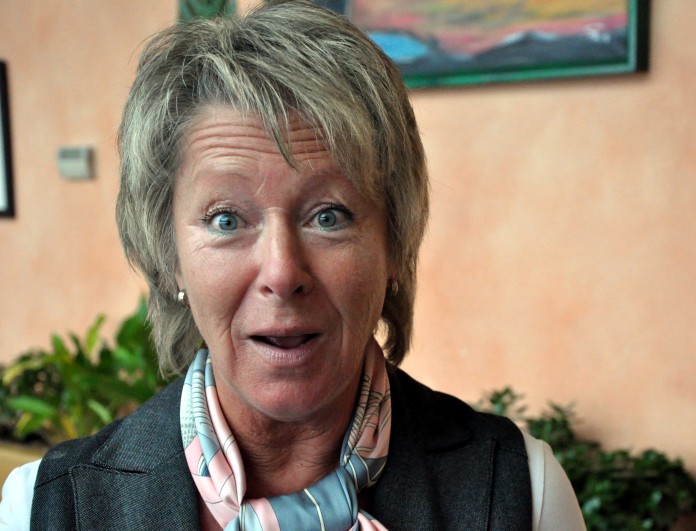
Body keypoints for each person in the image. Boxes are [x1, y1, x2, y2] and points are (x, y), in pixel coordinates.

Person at [0, 1, 585, 529]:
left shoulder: (522, 493)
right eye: (226, 220)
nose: (282, 273)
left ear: (395, 244)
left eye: (329, 216)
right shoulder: (42, 508)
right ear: (168, 255)